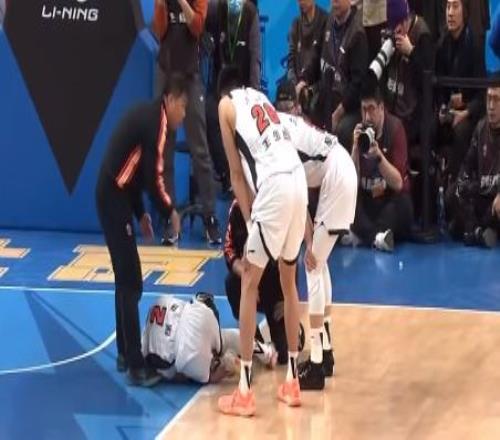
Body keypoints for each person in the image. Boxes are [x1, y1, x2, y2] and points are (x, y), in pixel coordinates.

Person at [216, 68, 308, 416]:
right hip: (297, 181)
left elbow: (237, 174)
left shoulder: (225, 106)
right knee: (289, 281)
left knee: (249, 282)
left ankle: (244, 391)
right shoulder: (260, 98)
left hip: (275, 187)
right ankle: (293, 382)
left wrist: (250, 218)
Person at [95, 73, 188, 387]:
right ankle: (136, 365)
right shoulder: (156, 123)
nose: (184, 115)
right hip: (112, 196)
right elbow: (152, 178)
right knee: (131, 280)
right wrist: (169, 211)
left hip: (115, 194)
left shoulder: (150, 116)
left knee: (125, 279)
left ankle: (125, 353)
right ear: (170, 100)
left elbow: (132, 170)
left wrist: (140, 213)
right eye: (183, 106)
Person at [276, 83, 358, 391]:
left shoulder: (279, 141)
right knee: (319, 265)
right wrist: (309, 240)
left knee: (311, 265)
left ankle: (316, 363)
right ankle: (326, 351)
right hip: (340, 172)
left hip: (337, 177)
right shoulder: (293, 126)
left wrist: (308, 241)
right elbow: (302, 197)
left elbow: (297, 198)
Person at [152, 0, 222, 245]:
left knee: (200, 149)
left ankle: (210, 217)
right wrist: (161, 5)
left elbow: (198, 27)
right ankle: (171, 219)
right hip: (166, 71)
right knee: (165, 149)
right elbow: (159, 31)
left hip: (191, 75)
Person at [142, 293, 277, 384]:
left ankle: (227, 365)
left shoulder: (146, 348)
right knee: (225, 338)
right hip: (198, 313)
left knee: (207, 376)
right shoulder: (160, 300)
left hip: (187, 353)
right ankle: (267, 352)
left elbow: (171, 373)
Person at [205, 0, 262, 194]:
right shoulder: (217, 8)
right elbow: (200, 14)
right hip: (220, 86)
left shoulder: (250, 13)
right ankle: (225, 175)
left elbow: (255, 56)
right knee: (210, 114)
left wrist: (254, 93)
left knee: (243, 126)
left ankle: (247, 175)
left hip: (243, 87)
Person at [349, 81, 413, 251]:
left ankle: (365, 235)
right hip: (368, 199)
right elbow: (352, 184)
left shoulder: (395, 129)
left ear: (381, 108)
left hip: (389, 199)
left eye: (371, 109)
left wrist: (379, 157)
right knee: (349, 202)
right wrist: (355, 149)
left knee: (402, 206)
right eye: (364, 109)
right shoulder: (359, 132)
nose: (367, 116)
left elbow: (398, 183)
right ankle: (377, 238)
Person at [224, 199, 289, 364]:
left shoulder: (275, 204)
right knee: (231, 282)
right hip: (249, 278)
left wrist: (287, 299)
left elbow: (290, 256)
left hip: (273, 283)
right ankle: (255, 339)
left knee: (283, 355)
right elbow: (229, 249)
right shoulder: (237, 208)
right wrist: (245, 277)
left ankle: (290, 329)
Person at [435, 0, 485, 183]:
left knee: (460, 132)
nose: (450, 12)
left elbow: (482, 95)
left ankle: (455, 184)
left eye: (455, 6)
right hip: (448, 110)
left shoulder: (475, 44)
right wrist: (442, 109)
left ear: (464, 12)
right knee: (429, 127)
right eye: (448, 7)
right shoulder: (442, 44)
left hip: (469, 113)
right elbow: (438, 87)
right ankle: (431, 182)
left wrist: (464, 112)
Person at [446, 80, 500, 248]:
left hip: (498, 198)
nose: (491, 106)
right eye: (489, 98)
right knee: (452, 193)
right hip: (483, 194)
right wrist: (461, 185)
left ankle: (473, 229)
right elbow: (467, 166)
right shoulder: (481, 127)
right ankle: (478, 231)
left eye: (497, 100)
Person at [317, 0, 369, 150]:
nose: (335, 3)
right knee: (310, 114)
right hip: (328, 94)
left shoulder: (357, 33)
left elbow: (357, 84)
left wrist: (338, 113)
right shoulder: (329, 21)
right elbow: (318, 56)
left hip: (349, 106)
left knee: (342, 130)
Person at [383, 0, 433, 150]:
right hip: (392, 106)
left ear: (407, 20)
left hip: (412, 113)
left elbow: (427, 80)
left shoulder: (422, 35)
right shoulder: (392, 33)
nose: (396, 33)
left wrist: (411, 52)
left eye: (398, 28)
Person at [287, 0, 327, 123]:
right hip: (298, 86)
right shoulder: (296, 24)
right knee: (283, 103)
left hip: (317, 86)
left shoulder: (325, 21)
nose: (301, 2)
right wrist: (295, 86)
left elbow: (324, 63)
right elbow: (291, 61)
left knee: (314, 106)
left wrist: (308, 87)